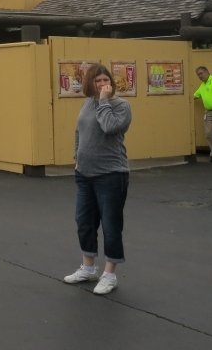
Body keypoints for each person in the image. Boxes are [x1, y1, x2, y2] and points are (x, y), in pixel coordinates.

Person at [64, 63, 132, 296]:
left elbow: (110, 126)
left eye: (106, 80)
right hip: (85, 174)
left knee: (111, 226)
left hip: (111, 174)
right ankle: (88, 268)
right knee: (84, 222)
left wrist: (104, 101)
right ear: (90, 83)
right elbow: (79, 131)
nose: (104, 84)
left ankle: (109, 274)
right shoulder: (87, 103)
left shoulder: (121, 106)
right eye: (98, 81)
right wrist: (77, 156)